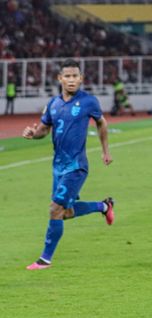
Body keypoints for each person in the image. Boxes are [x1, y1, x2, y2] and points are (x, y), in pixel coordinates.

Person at [23, 59, 114, 270]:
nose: (72, 80)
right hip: (58, 167)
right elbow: (44, 130)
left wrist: (105, 150)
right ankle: (104, 206)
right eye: (68, 76)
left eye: (75, 76)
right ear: (60, 78)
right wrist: (33, 134)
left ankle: (45, 259)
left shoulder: (89, 102)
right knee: (65, 212)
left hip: (76, 166)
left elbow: (102, 123)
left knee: (55, 209)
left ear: (81, 78)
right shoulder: (53, 104)